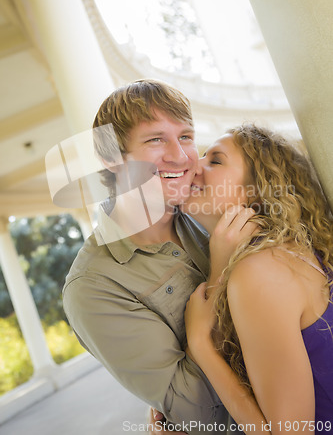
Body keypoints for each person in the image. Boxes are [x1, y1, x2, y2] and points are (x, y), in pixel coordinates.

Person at [62, 80, 257, 434]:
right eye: (155, 139)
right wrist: (219, 275)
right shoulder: (93, 287)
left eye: (185, 136)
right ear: (110, 158)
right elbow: (199, 413)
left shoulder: (208, 209)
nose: (180, 156)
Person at [180, 124, 333, 434]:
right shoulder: (294, 252)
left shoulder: (261, 270)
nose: (193, 165)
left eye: (215, 160)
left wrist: (200, 345)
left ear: (256, 190)